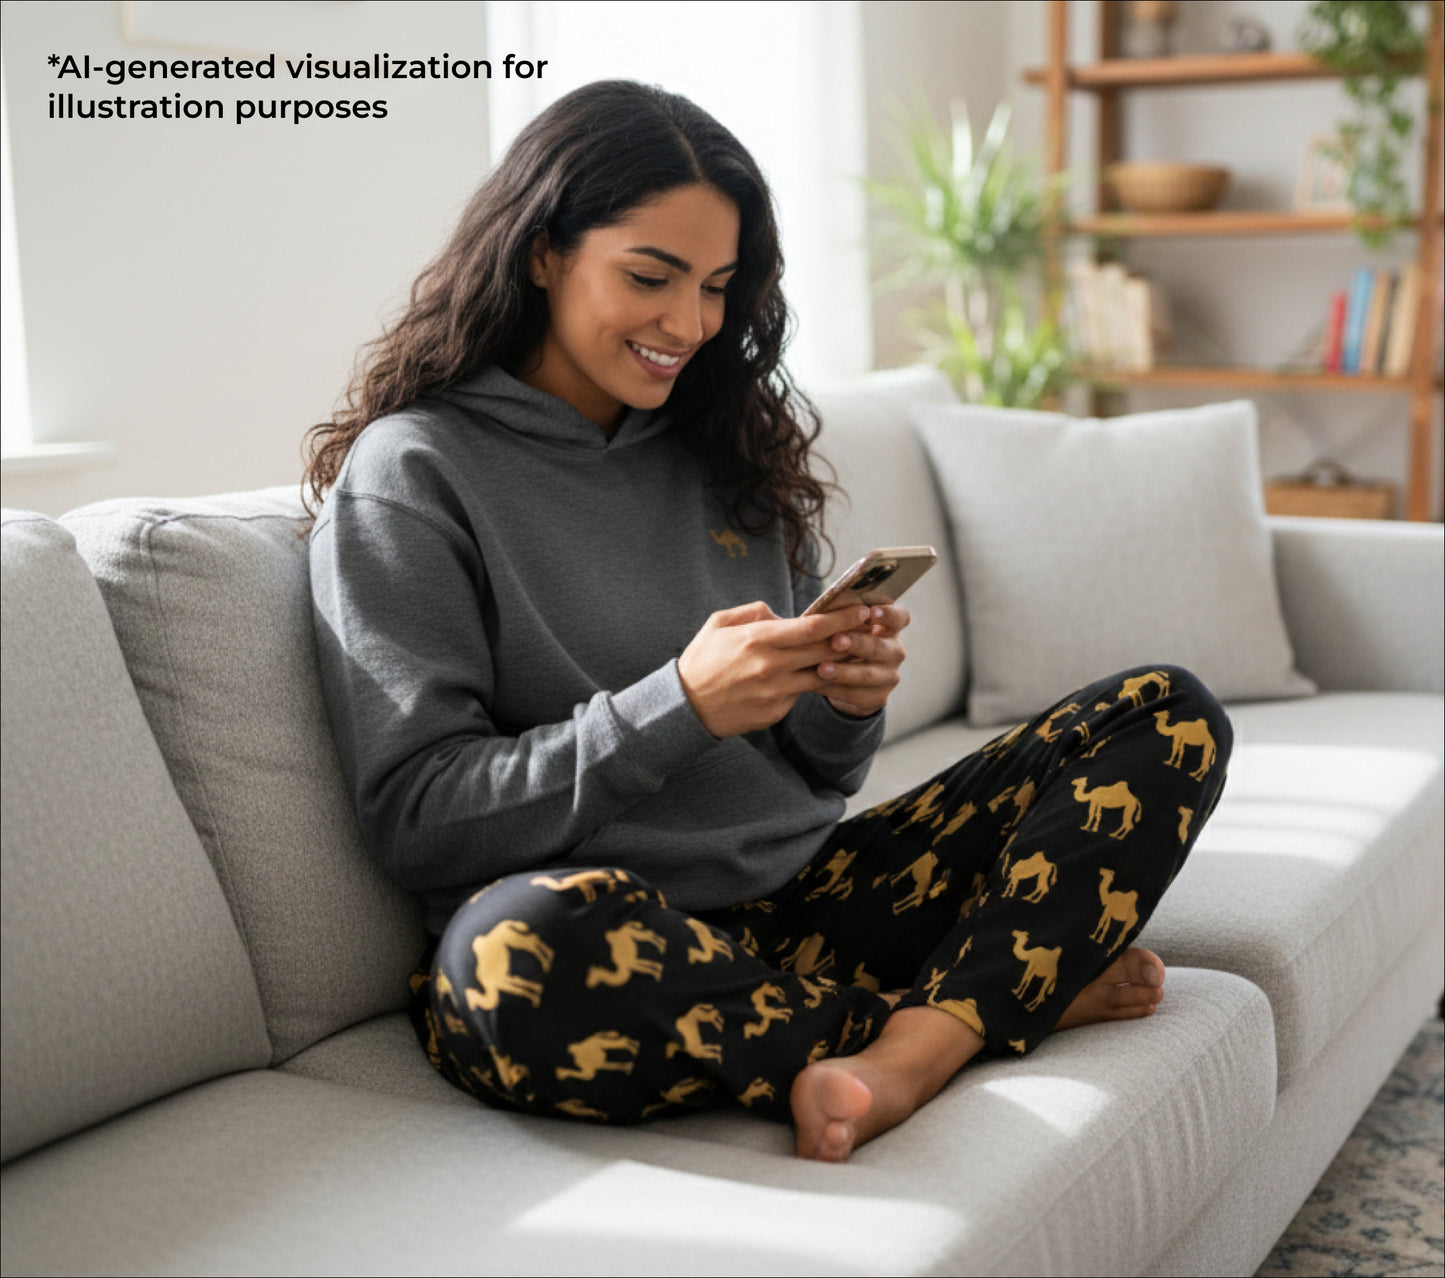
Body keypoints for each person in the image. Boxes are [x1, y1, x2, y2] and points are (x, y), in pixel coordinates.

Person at [304, 80, 1232, 1163]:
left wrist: (841, 705)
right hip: (610, 940)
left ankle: (912, 1045)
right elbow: (417, 816)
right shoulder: (415, 474)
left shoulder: (724, 451)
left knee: (1162, 714)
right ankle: (968, 1005)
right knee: (507, 966)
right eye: (649, 277)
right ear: (542, 251)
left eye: (715, 287)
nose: (688, 325)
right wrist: (678, 706)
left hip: (811, 898)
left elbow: (817, 783)